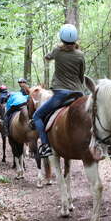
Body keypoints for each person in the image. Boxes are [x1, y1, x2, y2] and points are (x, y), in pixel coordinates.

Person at [33, 24, 85, 157]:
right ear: (75, 39)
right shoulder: (80, 55)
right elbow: (81, 75)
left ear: (62, 39)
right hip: (78, 94)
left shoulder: (57, 51)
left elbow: (47, 57)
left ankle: (45, 146)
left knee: (37, 116)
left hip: (61, 94)